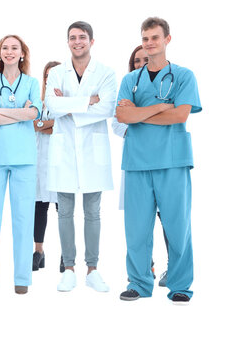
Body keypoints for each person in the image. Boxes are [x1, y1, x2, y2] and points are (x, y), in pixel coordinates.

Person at [116, 17, 201, 304]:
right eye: (145, 38)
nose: (149, 43)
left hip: (172, 161)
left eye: (154, 37)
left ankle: (179, 285)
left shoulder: (184, 76)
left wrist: (141, 111)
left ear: (167, 40)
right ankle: (139, 284)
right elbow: (123, 116)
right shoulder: (131, 80)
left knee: (178, 227)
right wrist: (161, 107)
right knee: (136, 230)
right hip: (137, 163)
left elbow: (180, 115)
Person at [45, 21, 116, 293]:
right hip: (63, 150)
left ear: (92, 41)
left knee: (92, 212)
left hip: (92, 151)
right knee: (64, 211)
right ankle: (69, 269)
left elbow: (108, 108)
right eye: (72, 38)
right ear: (68, 42)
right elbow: (51, 106)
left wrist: (70, 105)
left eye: (82, 37)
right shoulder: (56, 72)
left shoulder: (106, 72)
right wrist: (90, 100)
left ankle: (93, 269)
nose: (77, 42)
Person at [0, 34, 41, 295]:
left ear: (22, 53)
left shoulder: (32, 83)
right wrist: (19, 114)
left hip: (24, 158)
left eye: (15, 48)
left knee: (24, 218)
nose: (10, 52)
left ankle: (22, 279)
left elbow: (34, 114)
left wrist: (3, 111)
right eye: (5, 48)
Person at [113, 45, 169, 285]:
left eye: (145, 59)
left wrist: (137, 116)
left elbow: (171, 119)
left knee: (168, 219)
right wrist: (148, 118)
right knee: (139, 223)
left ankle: (174, 268)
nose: (140, 63)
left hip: (165, 162)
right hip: (135, 163)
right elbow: (118, 124)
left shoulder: (168, 84)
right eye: (136, 61)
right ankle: (143, 269)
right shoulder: (127, 88)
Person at [32, 61, 60, 272]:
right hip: (40, 161)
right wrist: (45, 125)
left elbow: (61, 128)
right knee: (39, 208)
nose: (50, 80)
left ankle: (66, 254)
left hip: (60, 161)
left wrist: (42, 125)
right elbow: (33, 125)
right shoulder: (38, 103)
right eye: (47, 76)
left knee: (64, 210)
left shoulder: (66, 103)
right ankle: (38, 252)